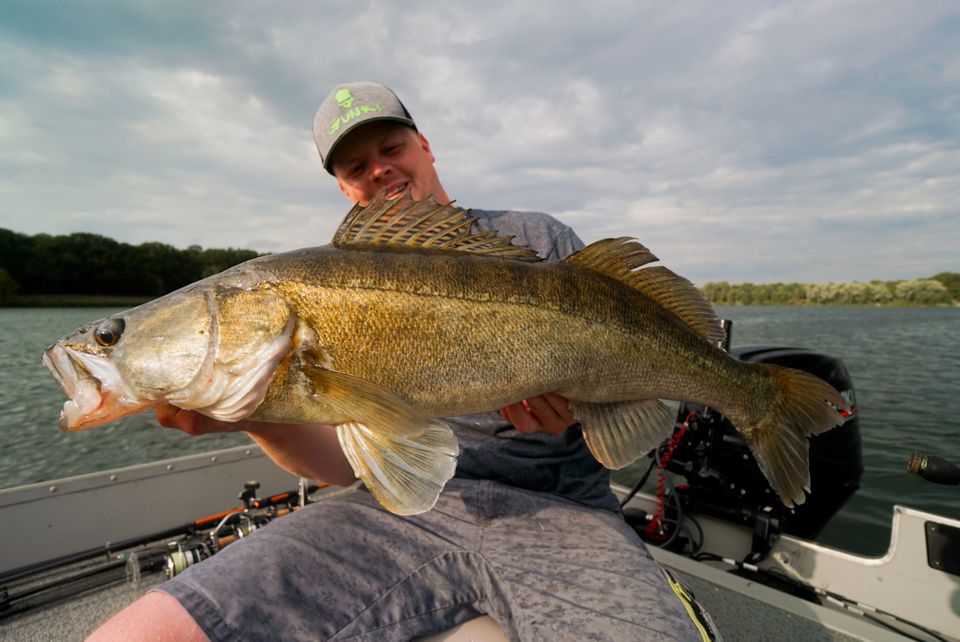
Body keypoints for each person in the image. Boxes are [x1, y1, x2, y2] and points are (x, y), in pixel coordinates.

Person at [89, 82, 711, 641]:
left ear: (426, 145)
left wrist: (579, 414)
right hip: (402, 516)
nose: (380, 170)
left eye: (391, 148)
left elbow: (624, 396)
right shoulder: (314, 288)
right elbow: (349, 463)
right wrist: (249, 416)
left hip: (563, 514)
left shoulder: (538, 240)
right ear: (342, 187)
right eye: (357, 165)